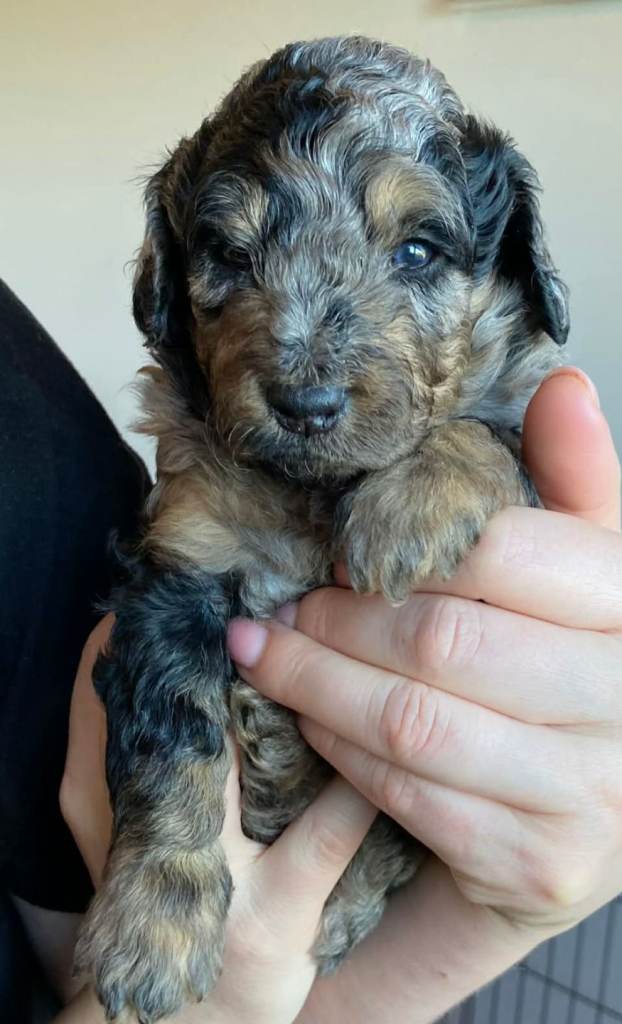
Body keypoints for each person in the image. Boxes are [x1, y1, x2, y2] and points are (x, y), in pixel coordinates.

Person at [2, 280, 620, 1022]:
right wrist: (210, 990)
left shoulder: (34, 442)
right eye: (238, 260)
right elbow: (124, 965)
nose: (306, 377)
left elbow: (69, 939)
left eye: (414, 256)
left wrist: (502, 918)